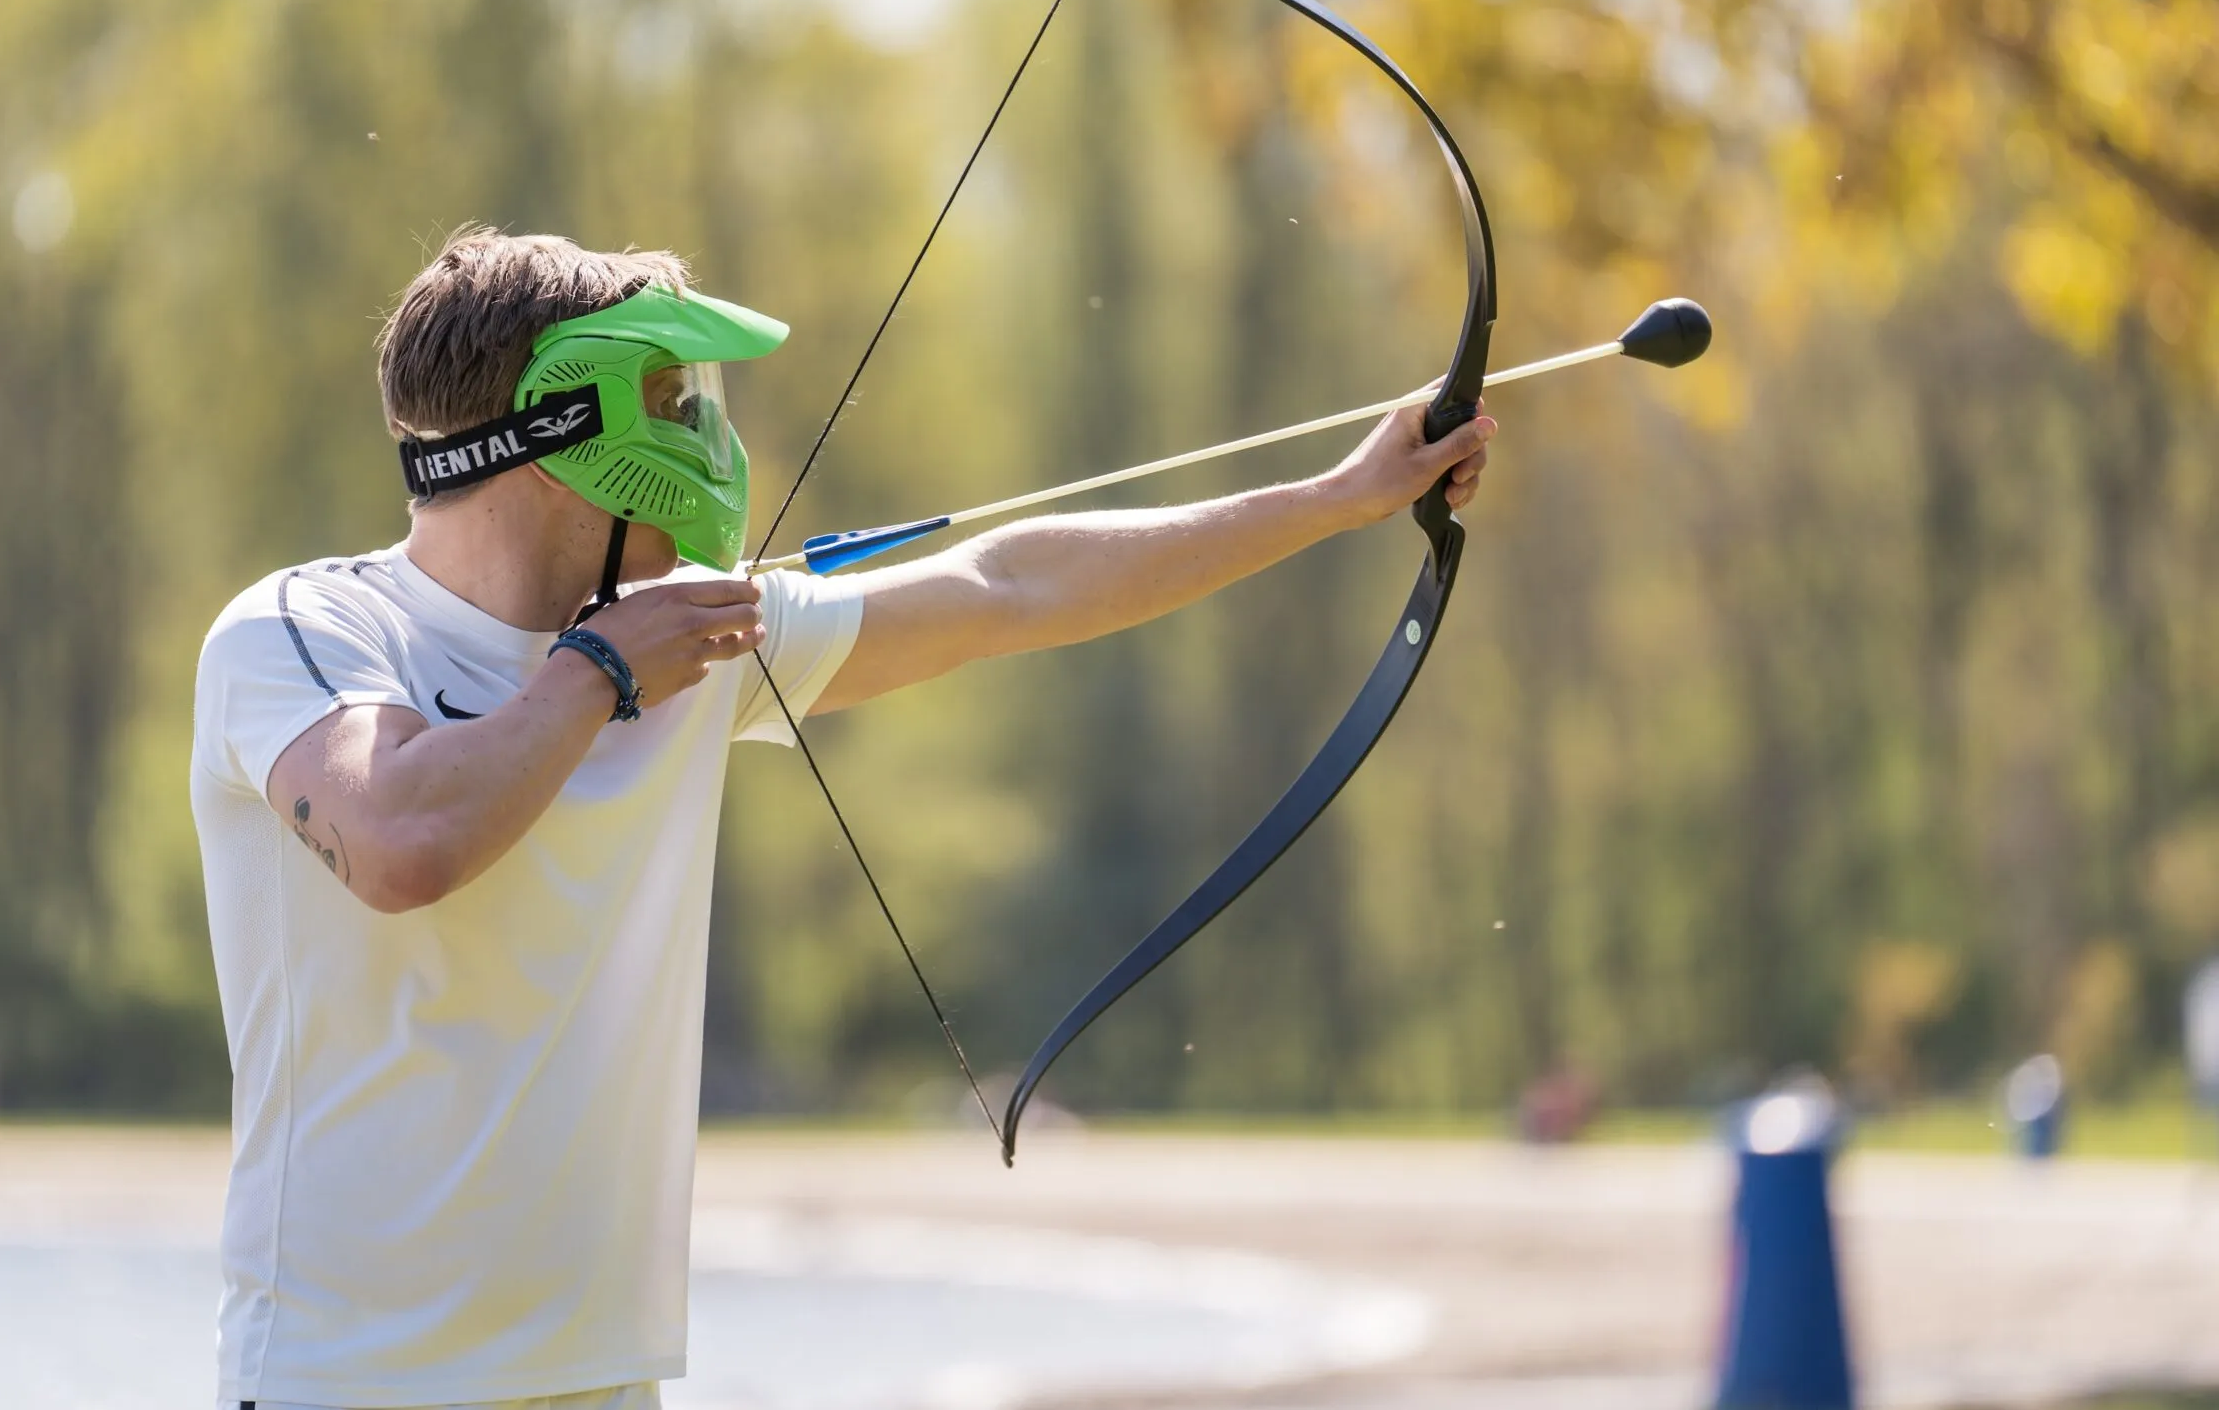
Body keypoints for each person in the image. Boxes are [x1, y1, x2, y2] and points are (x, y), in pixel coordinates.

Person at [190, 227, 1495, 1410]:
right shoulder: (305, 633)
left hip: (597, 1379)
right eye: (665, 399)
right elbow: (403, 839)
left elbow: (1010, 585)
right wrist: (601, 670)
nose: (702, 440)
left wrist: (1340, 499)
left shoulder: (679, 641)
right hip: (340, 1382)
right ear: (560, 424)